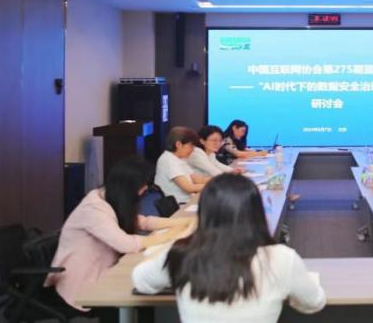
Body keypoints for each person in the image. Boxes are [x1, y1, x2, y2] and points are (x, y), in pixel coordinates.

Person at [132, 174, 326, 322]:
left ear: (204, 213)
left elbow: (141, 281)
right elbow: (314, 303)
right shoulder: (282, 257)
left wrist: (184, 237)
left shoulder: (182, 253)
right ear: (257, 212)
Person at [46, 157, 191, 312]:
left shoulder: (110, 196)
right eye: (142, 185)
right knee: (143, 291)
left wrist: (182, 222)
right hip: (83, 284)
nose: (145, 189)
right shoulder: (94, 208)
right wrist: (167, 237)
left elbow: (143, 222)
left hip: (106, 269)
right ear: (128, 185)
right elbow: (126, 244)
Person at [155, 127, 210, 204]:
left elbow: (198, 180)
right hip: (180, 205)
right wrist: (213, 185)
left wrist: (218, 181)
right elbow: (188, 188)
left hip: (188, 200)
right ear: (178, 144)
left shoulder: (179, 159)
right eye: (191, 146)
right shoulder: (168, 160)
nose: (193, 150)